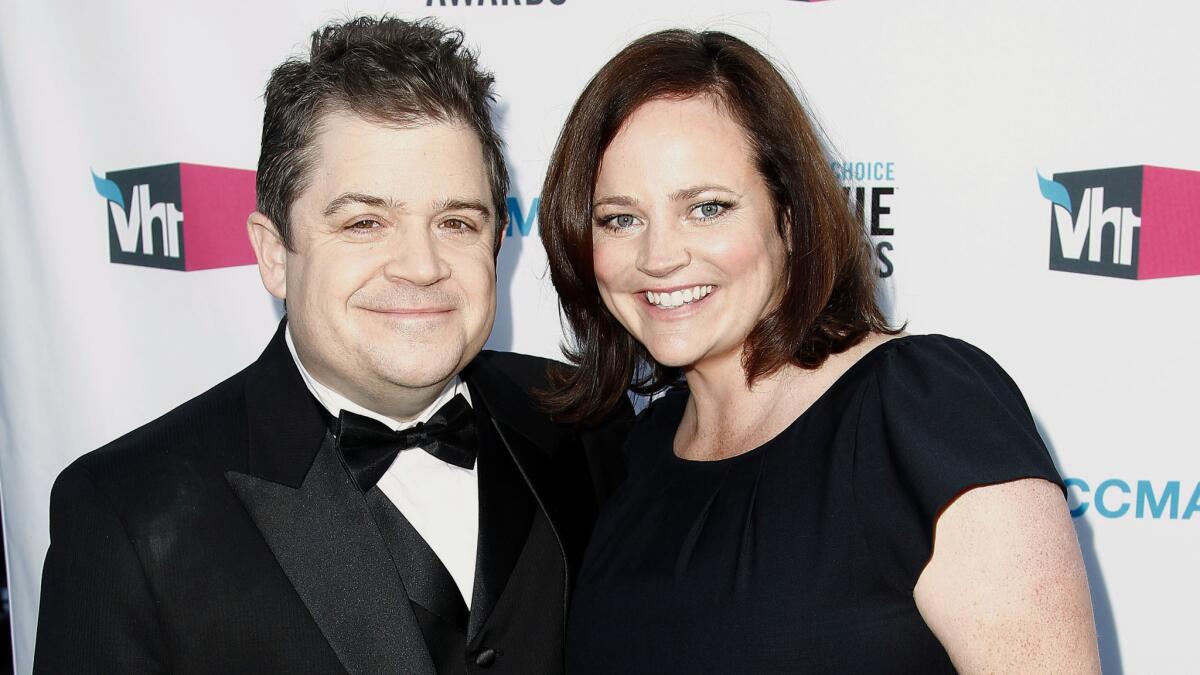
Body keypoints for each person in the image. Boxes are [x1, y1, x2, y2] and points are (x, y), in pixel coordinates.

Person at [35, 16, 628, 675]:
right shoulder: (125, 517)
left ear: (495, 241)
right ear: (273, 253)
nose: (421, 264)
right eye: (365, 221)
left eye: (456, 221)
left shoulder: (583, 416)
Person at [539, 29, 1100, 674]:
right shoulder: (636, 452)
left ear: (790, 218)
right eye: (619, 219)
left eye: (708, 208)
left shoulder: (920, 414)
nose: (659, 256)